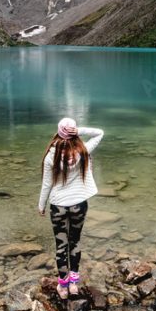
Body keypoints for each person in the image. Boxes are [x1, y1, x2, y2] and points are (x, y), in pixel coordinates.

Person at [38, 117, 104, 299]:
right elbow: (99, 133)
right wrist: (78, 131)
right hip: (78, 206)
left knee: (61, 246)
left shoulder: (51, 155)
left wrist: (41, 205)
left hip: (58, 206)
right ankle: (74, 284)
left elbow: (46, 184)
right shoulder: (82, 151)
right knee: (75, 242)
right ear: (74, 132)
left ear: (59, 132)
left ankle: (63, 286)